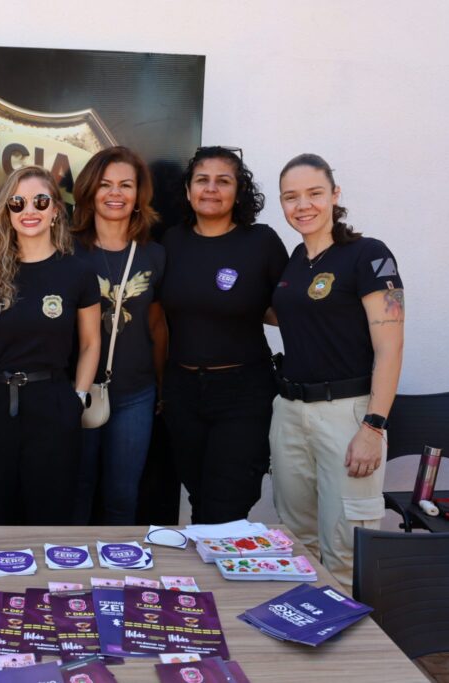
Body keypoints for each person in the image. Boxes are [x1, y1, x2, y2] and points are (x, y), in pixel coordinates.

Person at [270, 153, 404, 587]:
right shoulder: (295, 260)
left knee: (346, 547)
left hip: (348, 415)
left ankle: (351, 630)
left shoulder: (368, 254)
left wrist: (373, 427)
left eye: (314, 193)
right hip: (291, 412)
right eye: (291, 197)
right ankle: (307, 622)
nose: (302, 205)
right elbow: (288, 314)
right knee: (297, 542)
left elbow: (390, 347)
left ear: (335, 194)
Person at [0, 166, 101, 524]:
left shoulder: (78, 272)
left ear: (55, 210)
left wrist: (78, 399)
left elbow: (90, 342)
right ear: (7, 211)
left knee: (49, 515)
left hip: (53, 403)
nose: (29, 210)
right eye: (17, 202)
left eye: (40, 201)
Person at [160, 146, 289, 524]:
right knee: (200, 496)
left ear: (239, 190)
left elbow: (287, 310)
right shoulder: (171, 241)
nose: (211, 189)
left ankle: (219, 560)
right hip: (182, 391)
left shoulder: (261, 242)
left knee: (226, 503)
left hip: (243, 392)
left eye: (223, 181)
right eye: (202, 180)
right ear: (188, 190)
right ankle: (210, 563)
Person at [70, 146, 167, 524]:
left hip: (135, 394)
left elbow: (157, 325)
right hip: (75, 390)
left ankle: (117, 562)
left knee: (122, 495)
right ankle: (69, 563)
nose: (115, 193)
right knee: (75, 490)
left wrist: (161, 384)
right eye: (105, 184)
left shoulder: (155, 255)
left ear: (139, 194)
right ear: (90, 191)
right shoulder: (67, 250)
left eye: (126, 185)